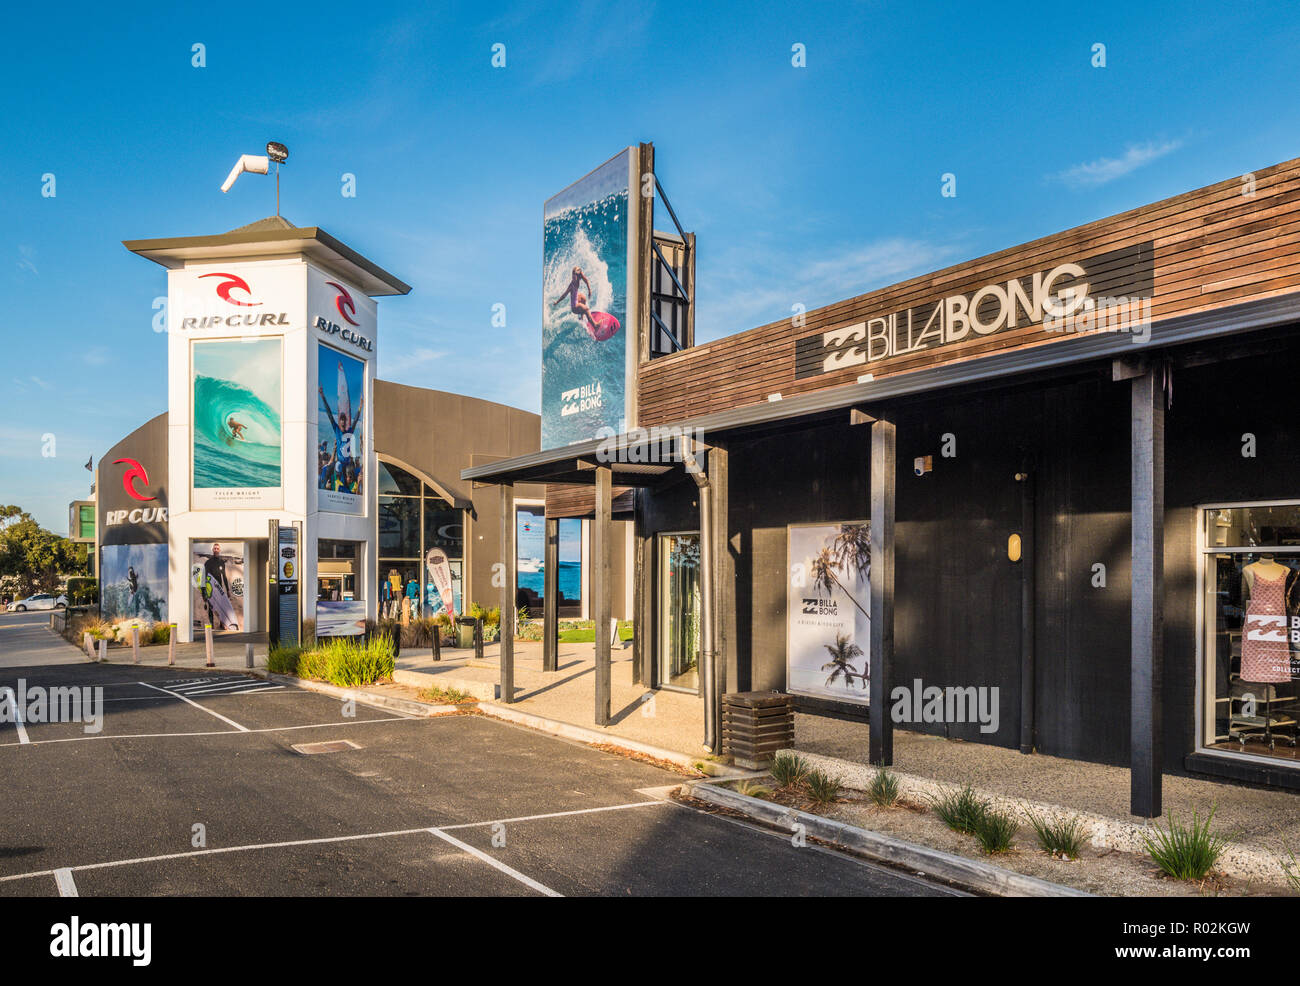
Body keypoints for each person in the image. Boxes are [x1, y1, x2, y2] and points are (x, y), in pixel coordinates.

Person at [551, 265, 598, 334]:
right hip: (574, 307)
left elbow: (586, 280)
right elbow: (564, 295)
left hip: (576, 299)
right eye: (572, 276)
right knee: (586, 309)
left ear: (578, 275)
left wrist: (589, 290)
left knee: (583, 297)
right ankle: (595, 326)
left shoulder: (579, 277)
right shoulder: (571, 285)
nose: (573, 278)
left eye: (575, 276)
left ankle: (582, 317)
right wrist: (557, 302)